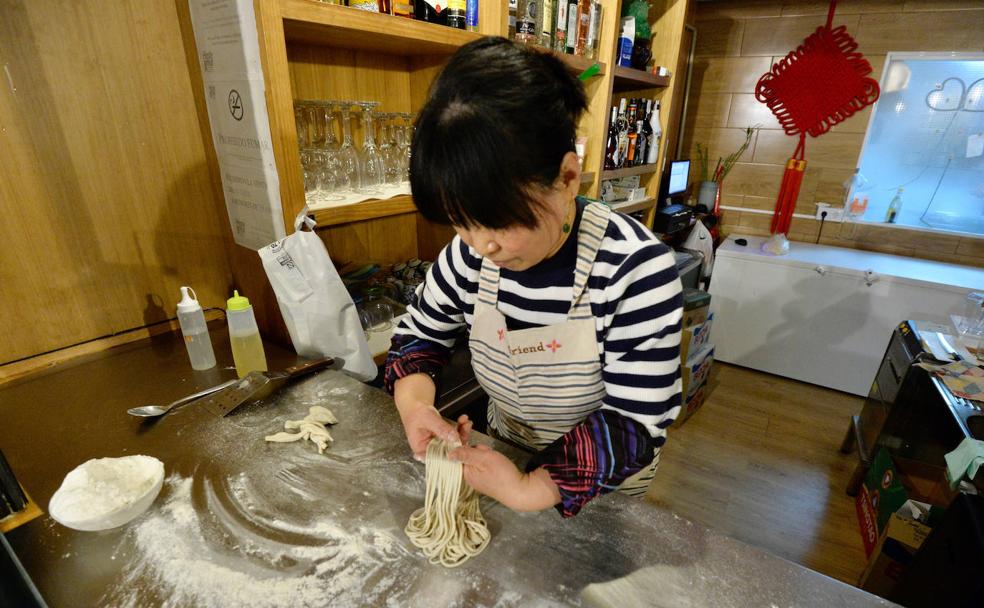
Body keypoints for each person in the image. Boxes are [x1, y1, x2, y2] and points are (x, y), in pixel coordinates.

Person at [384, 36, 683, 518]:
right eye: (462, 221)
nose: (482, 245)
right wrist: (417, 408)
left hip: (601, 482)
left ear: (567, 179)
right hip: (506, 447)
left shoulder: (633, 270)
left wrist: (529, 488)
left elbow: (633, 420)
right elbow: (419, 339)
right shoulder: (468, 258)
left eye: (499, 221)